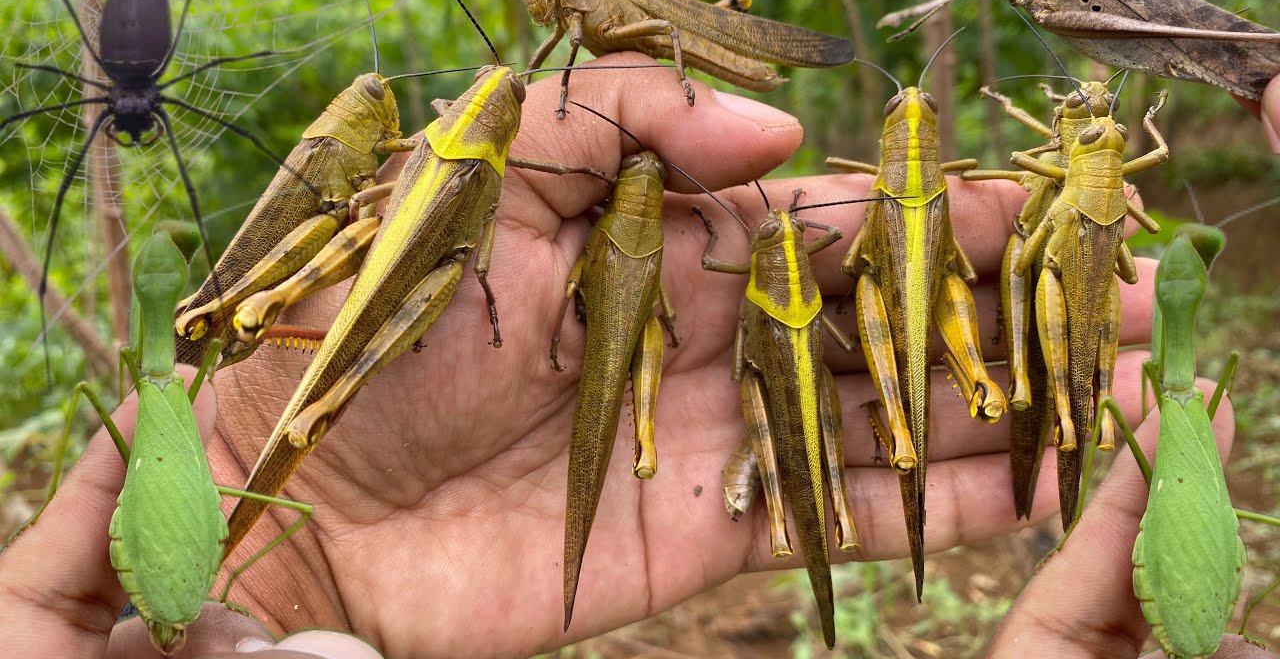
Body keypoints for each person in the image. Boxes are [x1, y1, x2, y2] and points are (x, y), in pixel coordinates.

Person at [1, 56, 1276, 658]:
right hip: (741, 324)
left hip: (828, 303)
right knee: (858, 382)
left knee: (938, 355)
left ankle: (962, 408)